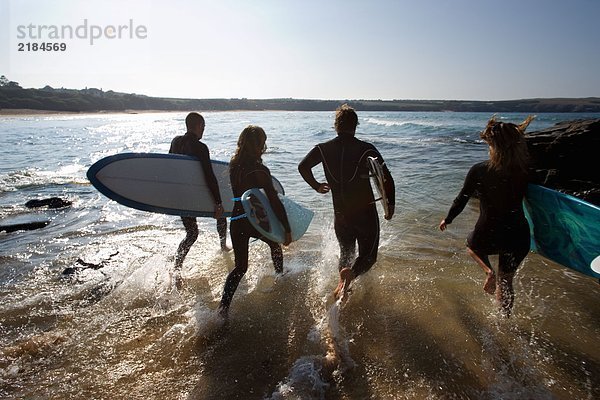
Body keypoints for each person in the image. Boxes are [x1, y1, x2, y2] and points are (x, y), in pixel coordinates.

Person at [439, 115, 534, 317]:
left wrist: (448, 219)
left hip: (489, 232)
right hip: (518, 235)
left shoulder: (480, 170)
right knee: (506, 280)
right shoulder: (525, 171)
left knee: (470, 245)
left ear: (493, 144)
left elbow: (462, 198)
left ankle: (487, 271)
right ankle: (504, 320)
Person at [298, 104, 395, 300]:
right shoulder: (366, 148)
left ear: (336, 126)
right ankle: (350, 276)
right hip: (365, 213)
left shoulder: (322, 149)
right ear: (356, 125)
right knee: (368, 257)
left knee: (346, 252)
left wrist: (316, 186)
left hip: (341, 213)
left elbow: (303, 167)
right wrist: (390, 205)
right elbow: (386, 178)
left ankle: (343, 281)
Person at [218, 125, 292, 317]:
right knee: (275, 245)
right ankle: (280, 276)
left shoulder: (234, 165)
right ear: (259, 145)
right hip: (253, 220)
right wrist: (286, 228)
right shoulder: (260, 170)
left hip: (237, 218)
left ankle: (223, 309)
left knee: (240, 267)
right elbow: (274, 201)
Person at [169, 112, 226, 289]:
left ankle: (176, 269)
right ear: (199, 125)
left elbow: (169, 166)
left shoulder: (176, 142)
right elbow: (209, 176)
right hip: (199, 195)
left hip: (181, 196)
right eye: (203, 126)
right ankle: (224, 248)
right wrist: (218, 202)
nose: (204, 130)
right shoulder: (201, 147)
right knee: (222, 216)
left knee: (191, 233)